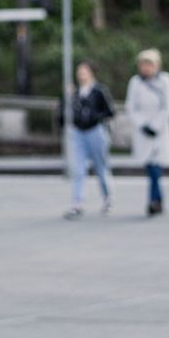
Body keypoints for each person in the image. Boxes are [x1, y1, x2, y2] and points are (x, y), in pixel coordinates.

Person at [127, 49, 169, 216]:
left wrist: (155, 125)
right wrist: (143, 125)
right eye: (143, 64)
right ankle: (158, 199)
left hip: (160, 130)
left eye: (150, 64)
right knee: (150, 166)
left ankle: (154, 200)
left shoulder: (166, 80)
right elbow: (131, 107)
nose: (146, 68)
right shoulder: (135, 82)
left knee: (156, 166)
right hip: (143, 131)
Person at [63, 61, 114, 219]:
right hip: (79, 132)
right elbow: (65, 110)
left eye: (84, 71)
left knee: (101, 167)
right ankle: (77, 203)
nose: (81, 74)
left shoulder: (99, 91)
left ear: (91, 73)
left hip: (95, 132)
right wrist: (69, 96)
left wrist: (94, 117)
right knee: (78, 169)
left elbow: (110, 111)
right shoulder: (75, 92)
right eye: (79, 71)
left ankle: (107, 198)